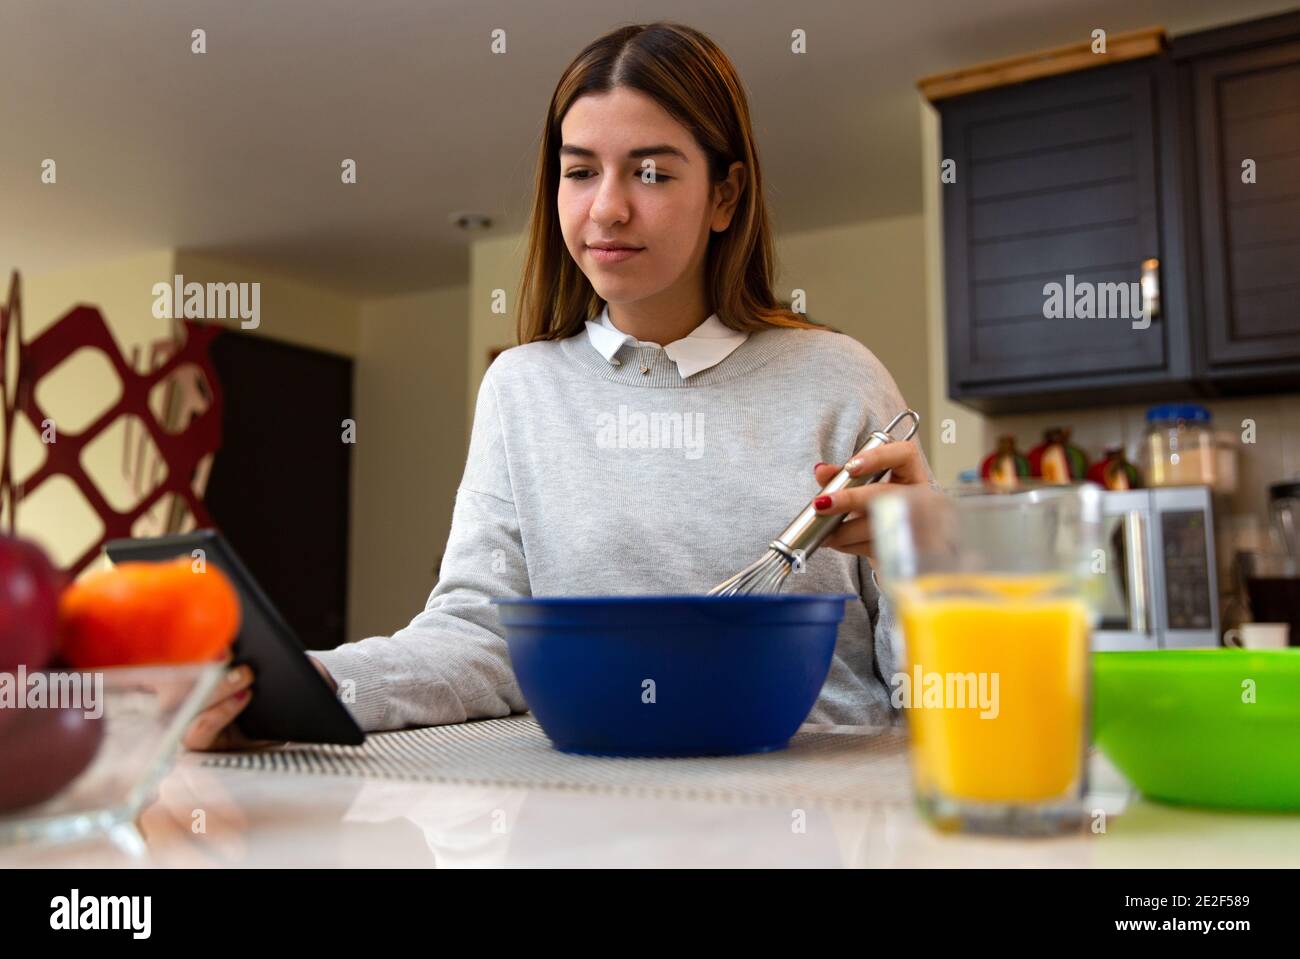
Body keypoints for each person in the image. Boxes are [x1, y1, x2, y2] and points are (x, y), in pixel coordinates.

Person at [185, 21, 935, 752]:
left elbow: (929, 689)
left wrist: (932, 555)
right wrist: (308, 685)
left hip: (823, 807)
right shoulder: (522, 389)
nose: (606, 207)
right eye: (579, 171)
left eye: (650, 172)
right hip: (590, 810)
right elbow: (480, 636)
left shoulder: (837, 379)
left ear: (725, 196)